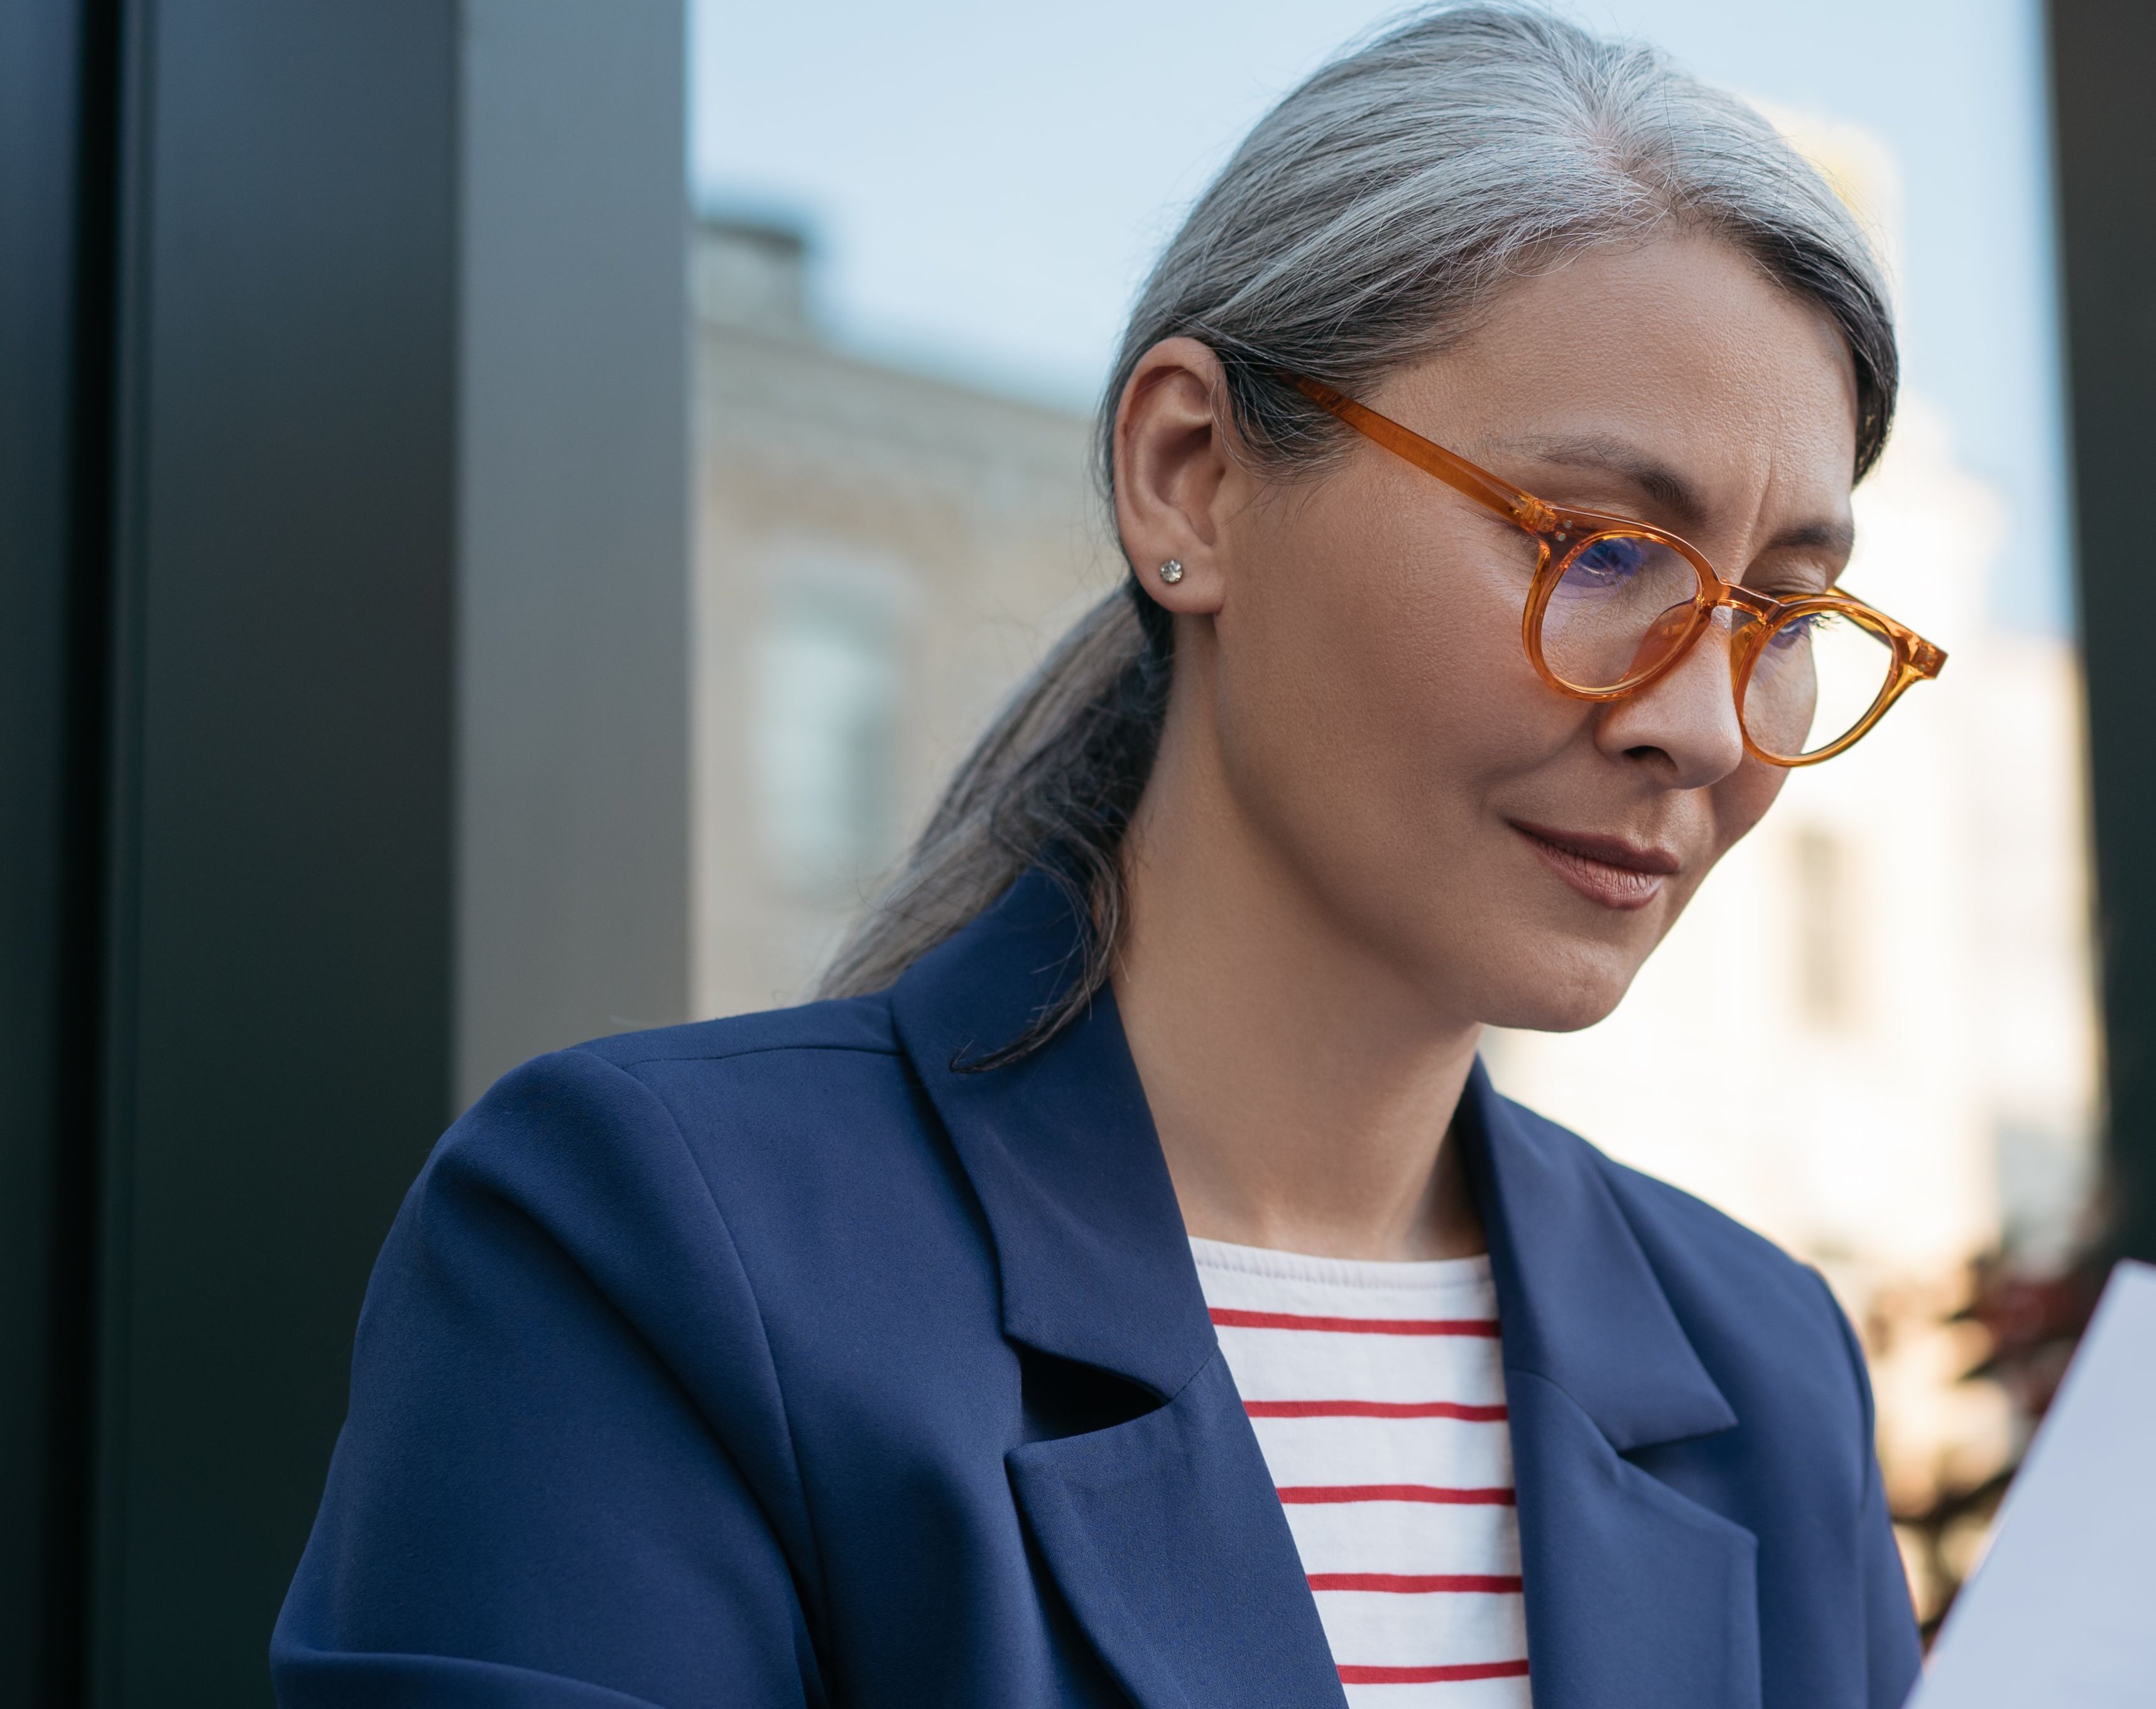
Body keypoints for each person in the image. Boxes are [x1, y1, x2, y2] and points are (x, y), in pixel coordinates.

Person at [272, 8, 1943, 1703]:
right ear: (1189, 478)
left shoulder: (1765, 1367)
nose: (1708, 727)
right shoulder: (646, 1246)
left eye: (1788, 611)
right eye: (1599, 548)